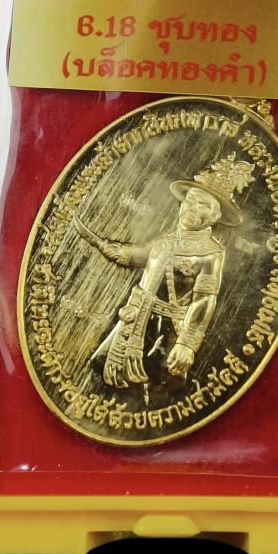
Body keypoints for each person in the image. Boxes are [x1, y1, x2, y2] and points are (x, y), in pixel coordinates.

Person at [90, 153, 255, 389]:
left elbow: (204, 300)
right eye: (190, 200)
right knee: (102, 368)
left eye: (203, 205)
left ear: (215, 217)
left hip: (166, 331)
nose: (192, 207)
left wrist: (187, 344)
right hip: (133, 320)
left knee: (157, 386)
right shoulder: (166, 241)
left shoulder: (211, 253)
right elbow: (143, 256)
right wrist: (114, 249)